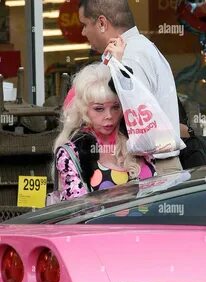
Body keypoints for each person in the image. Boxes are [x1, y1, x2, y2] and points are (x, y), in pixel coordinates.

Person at [78, 0, 184, 175]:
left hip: (149, 168)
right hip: (150, 164)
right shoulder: (138, 48)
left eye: (85, 24)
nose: (83, 32)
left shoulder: (129, 56)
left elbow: (134, 117)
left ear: (102, 23)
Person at [54, 62, 155, 201]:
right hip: (101, 223)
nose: (109, 115)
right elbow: (78, 211)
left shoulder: (138, 138)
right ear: (83, 110)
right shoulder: (72, 152)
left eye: (115, 107)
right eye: (99, 108)